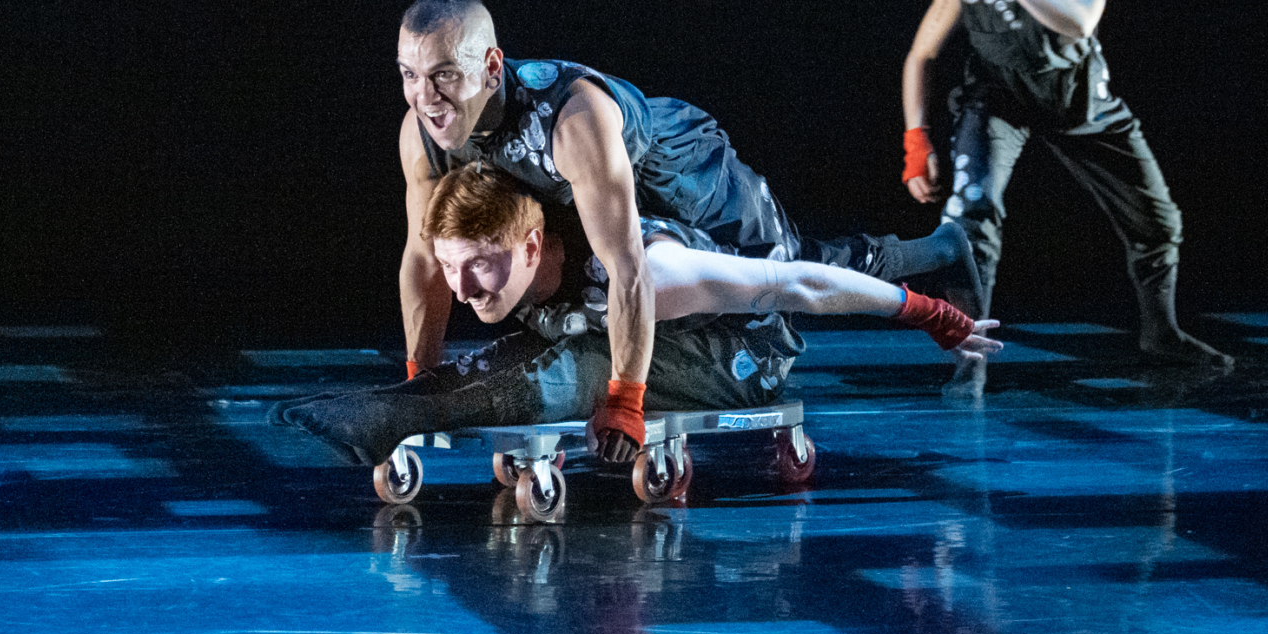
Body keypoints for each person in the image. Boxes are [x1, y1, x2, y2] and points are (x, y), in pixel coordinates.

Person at [396, 0, 979, 466]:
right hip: (619, 206)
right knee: (703, 282)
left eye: (444, 75)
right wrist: (418, 380)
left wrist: (627, 397)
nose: (426, 98)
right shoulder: (421, 133)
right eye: (409, 76)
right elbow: (422, 258)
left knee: (785, 268)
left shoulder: (572, 119)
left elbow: (628, 266)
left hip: (691, 182)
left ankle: (940, 249)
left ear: (492, 67)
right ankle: (938, 249)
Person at [280, 163, 999, 469]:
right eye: (451, 268)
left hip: (741, 354)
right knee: (567, 351)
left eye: (481, 266)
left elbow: (794, 285)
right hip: (674, 323)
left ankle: (395, 415)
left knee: (582, 360)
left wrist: (928, 313)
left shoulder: (646, 272)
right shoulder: (520, 258)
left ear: (534, 246)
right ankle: (941, 242)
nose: (464, 290)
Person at [900, 0, 1230, 396]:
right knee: (970, 211)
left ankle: (1161, 333)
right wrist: (916, 138)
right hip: (999, 102)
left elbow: (1080, 21)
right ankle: (970, 355)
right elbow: (921, 56)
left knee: (1158, 223)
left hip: (1081, 104)